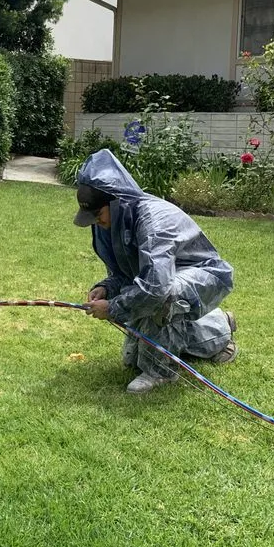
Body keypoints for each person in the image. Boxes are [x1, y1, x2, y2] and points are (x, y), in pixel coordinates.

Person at [75, 149, 237, 394]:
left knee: (165, 298)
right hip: (164, 279)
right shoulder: (110, 222)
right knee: (132, 360)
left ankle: (162, 372)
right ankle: (216, 323)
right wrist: (107, 288)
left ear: (115, 202)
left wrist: (113, 308)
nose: (96, 222)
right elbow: (126, 274)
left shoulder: (153, 222)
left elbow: (155, 287)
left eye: (97, 214)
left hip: (203, 275)